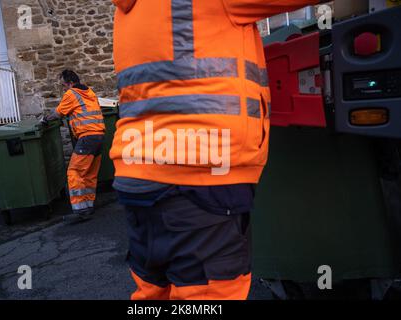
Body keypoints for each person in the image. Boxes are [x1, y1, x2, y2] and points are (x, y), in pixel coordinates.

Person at [110, 0, 324, 300]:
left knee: (152, 293)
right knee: (207, 297)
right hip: (201, 180)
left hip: (137, 176)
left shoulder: (127, 11)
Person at [45, 70, 105, 220]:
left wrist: (44, 119)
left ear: (70, 83)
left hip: (87, 137)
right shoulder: (89, 92)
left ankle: (80, 210)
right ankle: (88, 206)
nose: (64, 89)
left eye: (64, 85)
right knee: (90, 173)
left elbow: (58, 113)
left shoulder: (71, 94)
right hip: (99, 136)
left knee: (74, 172)